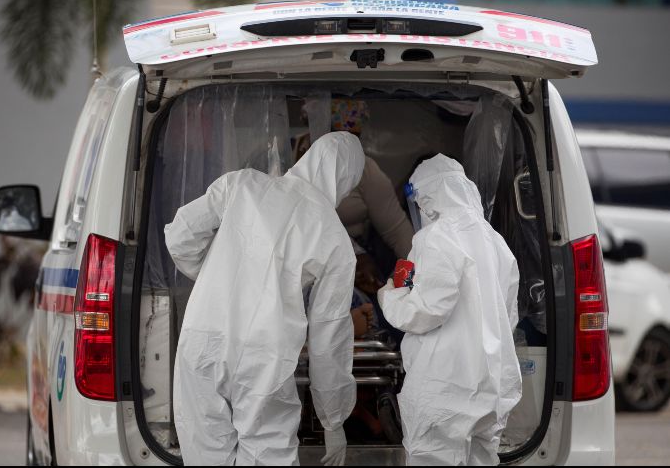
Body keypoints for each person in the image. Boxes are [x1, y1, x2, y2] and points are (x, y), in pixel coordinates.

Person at [165, 131, 365, 466]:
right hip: (264, 357)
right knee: (266, 455)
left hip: (202, 341)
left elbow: (181, 235)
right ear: (346, 179)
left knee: (204, 455)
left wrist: (218, 279)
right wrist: (334, 422)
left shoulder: (242, 184)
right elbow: (328, 339)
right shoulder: (334, 237)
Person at [377, 154, 522, 466]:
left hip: (446, 388)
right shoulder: (496, 242)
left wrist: (388, 295)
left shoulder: (435, 237)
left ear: (428, 198)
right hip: (492, 388)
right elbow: (508, 316)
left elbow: (423, 310)